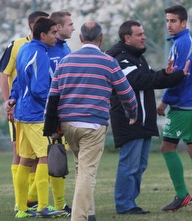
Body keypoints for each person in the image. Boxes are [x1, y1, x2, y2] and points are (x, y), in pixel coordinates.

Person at [43, 21, 138, 221]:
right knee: (88, 173)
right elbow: (126, 93)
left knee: (81, 167)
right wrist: (133, 113)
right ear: (101, 38)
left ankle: (90, 213)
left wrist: (50, 127)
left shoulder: (65, 61)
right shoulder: (108, 62)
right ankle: (79, 217)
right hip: (93, 125)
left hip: (68, 124)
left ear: (80, 38)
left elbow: (53, 98)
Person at [106, 20, 190, 215]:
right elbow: (141, 80)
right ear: (127, 38)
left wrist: (171, 74)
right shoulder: (121, 59)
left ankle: (130, 202)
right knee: (129, 164)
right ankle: (124, 205)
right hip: (130, 120)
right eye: (139, 34)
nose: (144, 37)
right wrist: (174, 76)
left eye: (143, 33)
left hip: (142, 121)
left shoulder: (138, 58)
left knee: (140, 165)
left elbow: (152, 76)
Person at [5, 17, 67, 218]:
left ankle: (21, 209)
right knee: (45, 158)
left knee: (24, 160)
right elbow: (39, 90)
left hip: (22, 114)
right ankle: (43, 206)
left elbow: (17, 81)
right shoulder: (40, 53)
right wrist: (53, 109)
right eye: (53, 33)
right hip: (36, 115)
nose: (56, 37)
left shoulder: (24, 48)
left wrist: (13, 99)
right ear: (43, 35)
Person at [157, 5, 192, 212]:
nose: (169, 25)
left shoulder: (182, 43)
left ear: (184, 23)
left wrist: (164, 102)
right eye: (167, 21)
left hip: (185, 104)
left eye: (173, 21)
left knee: (167, 147)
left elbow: (177, 77)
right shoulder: (187, 42)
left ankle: (182, 195)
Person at [0, 11, 49, 212]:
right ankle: (26, 201)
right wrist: (8, 102)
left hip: (29, 109)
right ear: (34, 27)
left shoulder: (50, 47)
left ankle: (29, 201)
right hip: (26, 110)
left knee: (34, 156)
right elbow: (5, 75)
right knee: (22, 154)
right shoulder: (18, 45)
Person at [46, 10, 75, 215]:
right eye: (70, 24)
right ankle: (39, 204)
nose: (73, 27)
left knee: (57, 157)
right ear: (57, 27)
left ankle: (58, 203)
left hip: (63, 111)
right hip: (48, 112)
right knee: (46, 158)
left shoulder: (65, 48)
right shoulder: (47, 50)